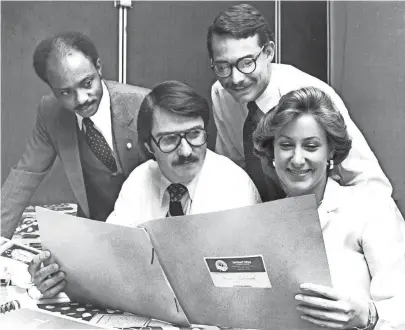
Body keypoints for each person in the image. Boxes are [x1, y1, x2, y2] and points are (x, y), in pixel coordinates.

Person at [28, 80, 261, 298]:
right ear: (149, 145)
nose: (186, 151)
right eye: (170, 140)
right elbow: (107, 253)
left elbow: (245, 284)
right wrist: (56, 277)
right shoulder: (140, 180)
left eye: (194, 135)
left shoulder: (233, 185)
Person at [207, 3, 393, 203]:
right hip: (265, 218)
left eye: (246, 63)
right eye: (223, 66)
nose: (235, 79)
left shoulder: (313, 96)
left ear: (269, 52)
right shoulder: (222, 93)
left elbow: (372, 184)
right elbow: (233, 171)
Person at [253, 87, 405, 330]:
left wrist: (367, 316)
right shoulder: (263, 223)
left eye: (311, 146)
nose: (297, 159)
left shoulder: (370, 208)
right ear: (272, 152)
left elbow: (401, 305)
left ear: (330, 151)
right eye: (286, 145)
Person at [1, 32, 150, 239]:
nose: (81, 99)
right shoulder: (49, 112)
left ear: (98, 67)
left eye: (87, 83)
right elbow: (24, 177)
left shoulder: (143, 104)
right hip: (96, 231)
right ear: (52, 90)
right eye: (65, 92)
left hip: (149, 227)